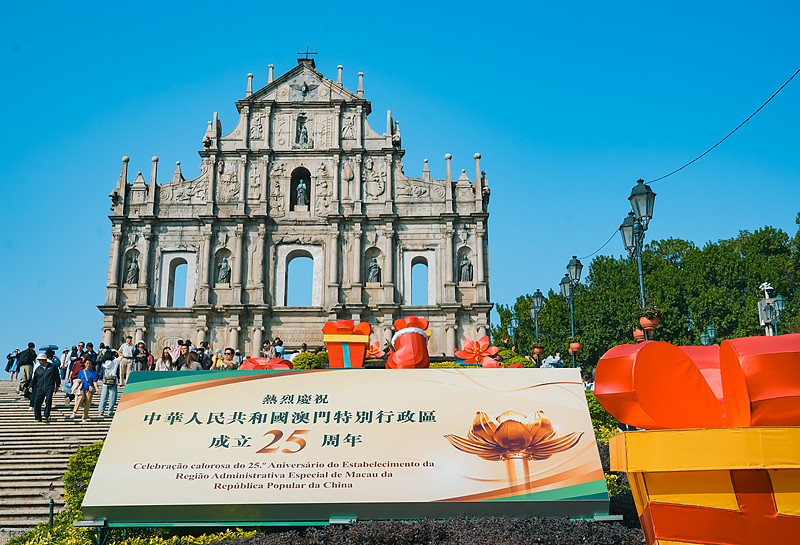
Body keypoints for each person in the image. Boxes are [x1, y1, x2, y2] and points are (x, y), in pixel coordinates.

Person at [29, 352, 60, 422]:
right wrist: (31, 386)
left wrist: (57, 385)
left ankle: (46, 414)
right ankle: (38, 417)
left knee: (48, 400)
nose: (39, 361)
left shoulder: (52, 367)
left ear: (44, 359)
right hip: (39, 388)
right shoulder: (38, 369)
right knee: (36, 402)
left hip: (49, 387)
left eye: (40, 360)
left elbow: (57, 376)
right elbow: (34, 379)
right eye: (38, 360)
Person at [68, 355, 98, 422]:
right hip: (82, 388)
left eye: (90, 363)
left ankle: (84, 417)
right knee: (80, 398)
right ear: (84, 364)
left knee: (88, 404)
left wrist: (97, 389)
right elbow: (78, 379)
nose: (88, 365)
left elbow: (95, 382)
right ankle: (74, 413)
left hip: (89, 390)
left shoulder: (93, 372)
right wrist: (79, 381)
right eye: (87, 363)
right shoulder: (81, 371)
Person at [98, 350, 121, 418]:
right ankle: (110, 411)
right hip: (113, 382)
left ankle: (101, 411)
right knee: (112, 398)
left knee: (103, 398)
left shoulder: (103, 363)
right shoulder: (115, 361)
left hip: (105, 382)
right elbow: (122, 356)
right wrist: (116, 351)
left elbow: (99, 357)